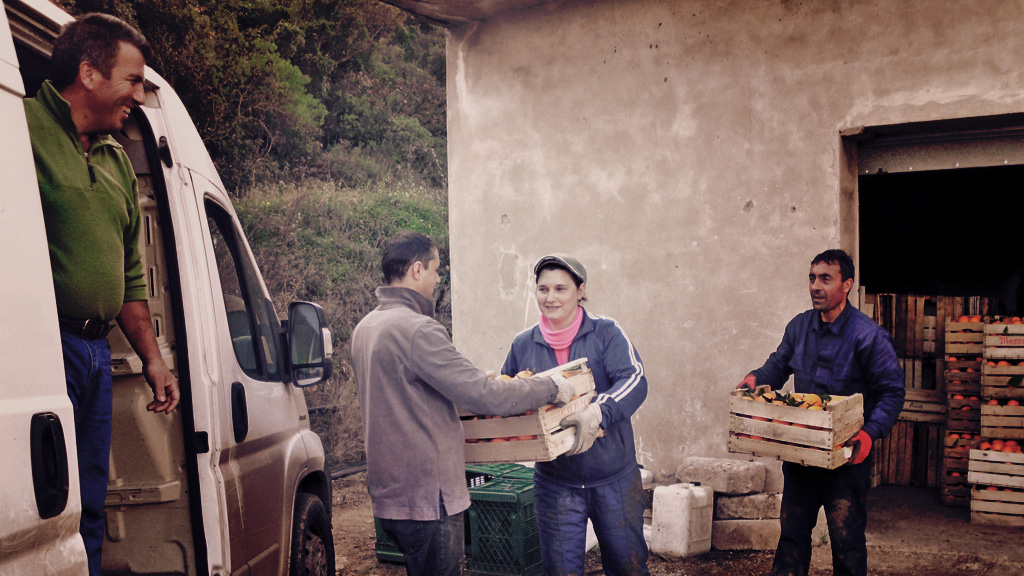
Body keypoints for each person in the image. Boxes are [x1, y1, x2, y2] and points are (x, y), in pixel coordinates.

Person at [24, 14, 180, 575]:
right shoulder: (20, 129)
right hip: (41, 353)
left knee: (91, 504)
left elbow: (131, 277)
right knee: (41, 513)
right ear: (89, 74)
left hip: (93, 353)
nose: (138, 96)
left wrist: (154, 359)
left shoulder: (115, 160)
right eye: (132, 81)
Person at [350, 231, 575, 576]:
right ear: (416, 270)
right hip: (427, 497)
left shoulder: (366, 328)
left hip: (390, 492)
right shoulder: (418, 330)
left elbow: (406, 397)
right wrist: (549, 387)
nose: (439, 278)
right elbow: (485, 394)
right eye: (436, 269)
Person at [738, 249, 905, 576]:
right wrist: (754, 379)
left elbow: (891, 391)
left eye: (826, 278)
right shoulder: (799, 328)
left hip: (846, 460)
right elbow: (778, 365)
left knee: (847, 542)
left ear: (847, 285)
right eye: (812, 278)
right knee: (791, 538)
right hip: (801, 455)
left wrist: (870, 434)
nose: (816, 286)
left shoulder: (868, 336)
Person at [502, 253, 649, 576]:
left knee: (629, 567)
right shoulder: (524, 344)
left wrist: (598, 412)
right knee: (561, 570)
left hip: (614, 479)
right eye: (543, 289)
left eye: (560, 289)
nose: (550, 298)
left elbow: (635, 380)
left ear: (580, 290)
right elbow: (510, 396)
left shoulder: (606, 333)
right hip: (557, 484)